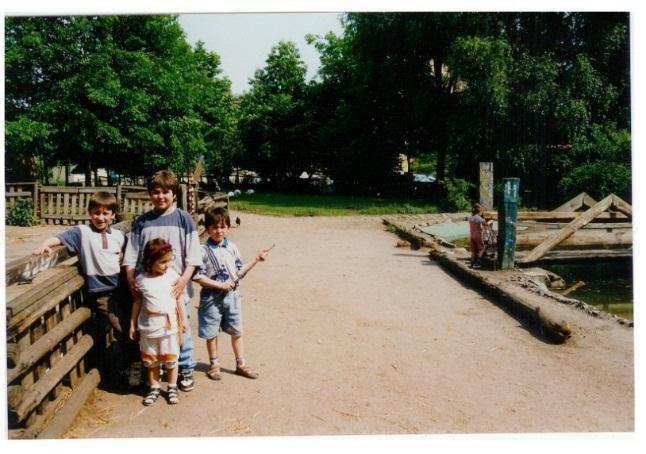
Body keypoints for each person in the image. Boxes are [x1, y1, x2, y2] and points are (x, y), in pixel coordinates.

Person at [32, 191, 129, 377]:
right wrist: (46, 243)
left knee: (131, 325)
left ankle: (131, 362)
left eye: (105, 213)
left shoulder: (118, 235)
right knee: (121, 328)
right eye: (96, 212)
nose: (100, 217)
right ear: (89, 213)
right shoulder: (82, 233)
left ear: (113, 215)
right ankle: (128, 366)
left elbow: (128, 255)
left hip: (120, 288)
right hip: (101, 293)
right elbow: (60, 238)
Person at [123, 170, 202, 392]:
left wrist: (183, 282)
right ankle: (154, 369)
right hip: (149, 289)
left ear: (174, 194)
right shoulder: (142, 222)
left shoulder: (184, 219)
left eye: (166, 192)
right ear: (150, 194)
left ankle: (185, 367)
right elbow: (131, 254)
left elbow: (194, 256)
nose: (161, 196)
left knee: (180, 330)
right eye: (156, 192)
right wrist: (131, 278)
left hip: (176, 288)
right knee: (152, 332)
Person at [193, 207, 270, 381]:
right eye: (214, 227)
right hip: (211, 298)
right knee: (212, 332)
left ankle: (241, 364)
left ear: (228, 227)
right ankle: (214, 364)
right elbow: (197, 276)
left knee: (237, 331)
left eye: (222, 226)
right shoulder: (203, 250)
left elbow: (239, 272)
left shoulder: (233, 248)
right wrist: (219, 284)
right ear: (207, 228)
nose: (218, 230)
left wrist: (256, 260)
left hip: (232, 298)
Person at [129, 239, 185, 406]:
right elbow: (137, 302)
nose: (167, 265)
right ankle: (154, 386)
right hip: (148, 328)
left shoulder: (173, 276)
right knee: (151, 359)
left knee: (171, 359)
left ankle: (172, 387)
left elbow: (179, 298)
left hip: (169, 327)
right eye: (162, 262)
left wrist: (183, 319)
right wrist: (132, 324)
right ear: (150, 261)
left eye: (169, 260)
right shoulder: (141, 280)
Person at [468, 203, 492, 269]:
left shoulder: (470, 218)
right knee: (482, 248)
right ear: (480, 211)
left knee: (474, 250)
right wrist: (490, 222)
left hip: (472, 235)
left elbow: (475, 226)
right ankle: (478, 262)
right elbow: (486, 225)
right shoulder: (479, 218)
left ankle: (472, 264)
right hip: (478, 236)